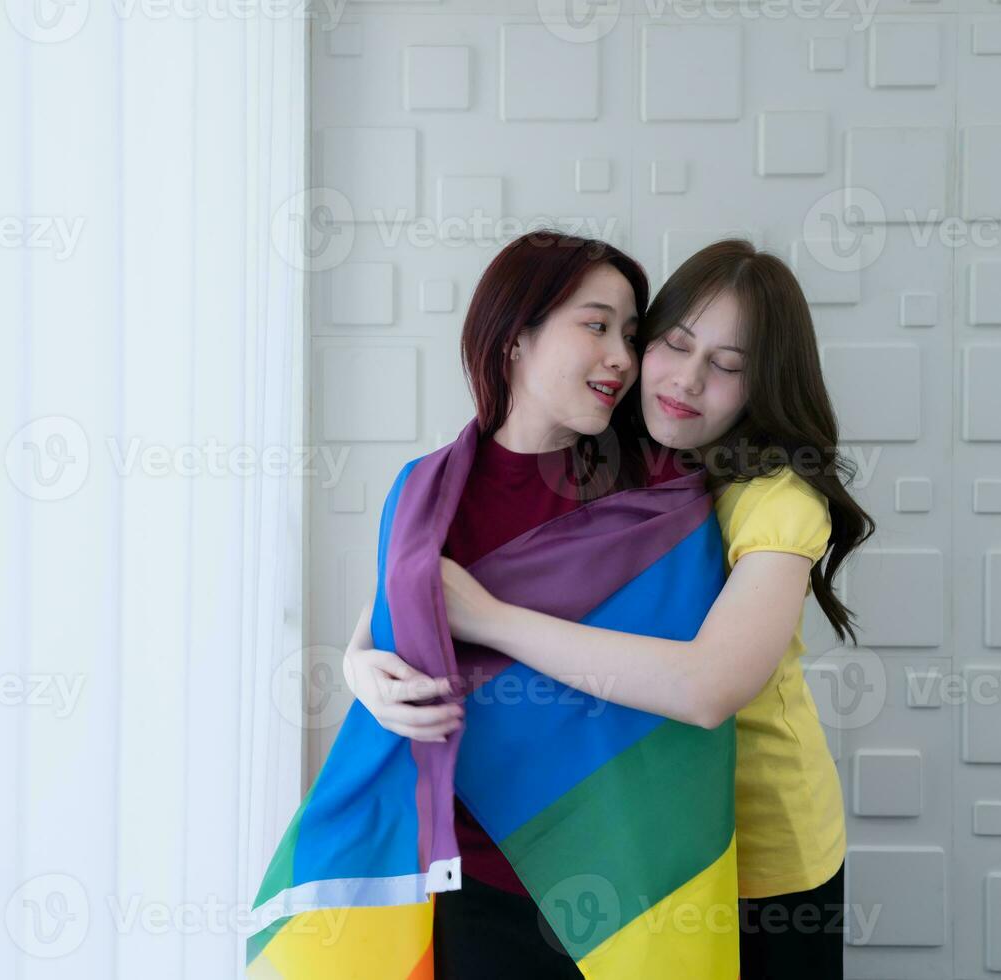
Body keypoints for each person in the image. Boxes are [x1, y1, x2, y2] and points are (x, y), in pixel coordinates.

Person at [358, 239, 876, 979]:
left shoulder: (767, 499)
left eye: (728, 366)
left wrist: (485, 618)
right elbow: (411, 587)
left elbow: (706, 687)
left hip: (759, 844)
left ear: (762, 385)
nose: (684, 380)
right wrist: (356, 662)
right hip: (600, 833)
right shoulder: (601, 461)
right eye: (667, 344)